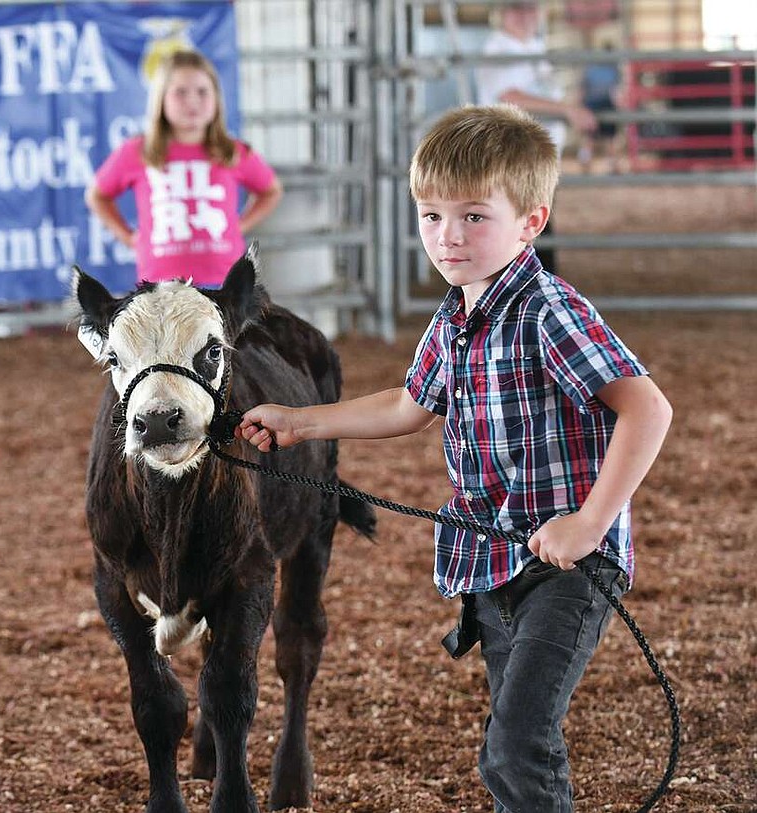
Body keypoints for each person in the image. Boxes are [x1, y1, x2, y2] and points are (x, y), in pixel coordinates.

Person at [237, 105, 673, 812]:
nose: (448, 236)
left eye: (474, 216)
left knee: (516, 744)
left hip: (567, 566)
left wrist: (590, 524)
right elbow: (409, 406)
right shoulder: (454, 315)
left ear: (531, 221)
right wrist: (297, 421)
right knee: (516, 738)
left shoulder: (547, 309)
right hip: (494, 561)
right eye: (432, 215)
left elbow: (648, 408)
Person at [85, 49, 283, 287]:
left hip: (224, 284)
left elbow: (271, 191)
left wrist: (239, 225)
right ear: (161, 99)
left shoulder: (233, 151)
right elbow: (97, 195)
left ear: (217, 99)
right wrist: (129, 238)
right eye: (180, 92)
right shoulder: (138, 151)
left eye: (202, 92)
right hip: (160, 285)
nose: (192, 101)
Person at [474, 0, 597, 273]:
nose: (525, 16)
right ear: (502, 13)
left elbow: (540, 92)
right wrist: (566, 109)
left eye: (530, 9)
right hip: (511, 157)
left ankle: (536, 296)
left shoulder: (533, 47)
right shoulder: (499, 49)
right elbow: (510, 96)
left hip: (534, 157)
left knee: (535, 230)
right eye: (517, 9)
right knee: (524, 233)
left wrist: (568, 106)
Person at [578, 44, 623, 173]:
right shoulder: (614, 69)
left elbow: (582, 89)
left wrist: (580, 106)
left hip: (591, 104)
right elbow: (616, 92)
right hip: (606, 104)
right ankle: (613, 166)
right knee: (610, 138)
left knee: (589, 138)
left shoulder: (590, 68)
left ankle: (585, 165)